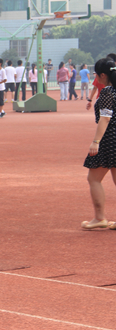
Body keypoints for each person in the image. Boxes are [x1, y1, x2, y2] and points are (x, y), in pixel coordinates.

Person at [81, 58, 116, 230]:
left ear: (103, 75)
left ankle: (100, 217)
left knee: (94, 178)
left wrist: (96, 142)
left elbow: (105, 118)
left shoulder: (108, 92)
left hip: (110, 139)